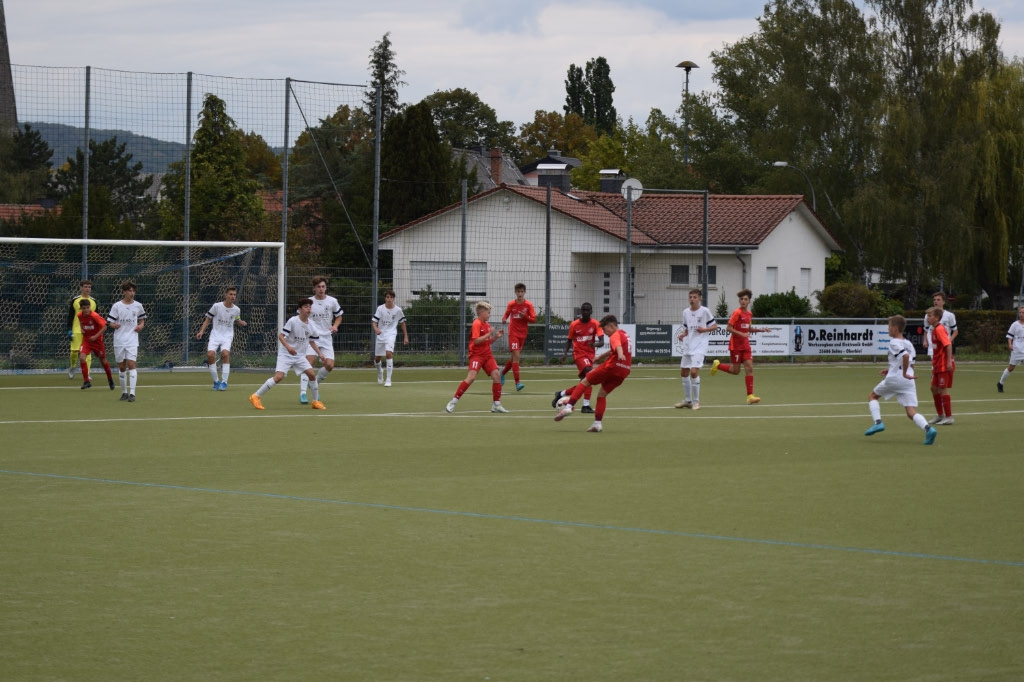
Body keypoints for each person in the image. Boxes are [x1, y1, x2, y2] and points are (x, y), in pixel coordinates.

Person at [864, 315, 938, 445]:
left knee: (872, 396)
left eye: (889, 326)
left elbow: (905, 356)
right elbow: (910, 364)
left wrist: (902, 373)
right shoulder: (909, 344)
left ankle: (878, 423)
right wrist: (892, 369)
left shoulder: (894, 342)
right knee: (910, 412)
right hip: (908, 381)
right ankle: (928, 429)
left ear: (895, 328)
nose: (888, 329)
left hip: (897, 378)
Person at [554, 314, 632, 432]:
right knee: (602, 394)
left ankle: (568, 406)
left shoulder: (615, 335)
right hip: (624, 371)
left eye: (605, 329)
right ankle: (597, 424)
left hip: (611, 367)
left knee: (585, 381)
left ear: (611, 326)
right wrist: (600, 357)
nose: (605, 333)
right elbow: (614, 349)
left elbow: (617, 346)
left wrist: (620, 354)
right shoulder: (624, 334)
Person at [250, 298, 326, 411]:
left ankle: (315, 402)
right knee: (278, 377)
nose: (308, 309)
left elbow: (312, 341)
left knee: (311, 375)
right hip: (286, 354)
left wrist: (320, 353)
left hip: (299, 356)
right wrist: (288, 347)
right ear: (300, 309)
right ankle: (255, 396)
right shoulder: (293, 321)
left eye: (310, 307)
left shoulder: (311, 326)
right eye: (306, 307)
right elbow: (281, 336)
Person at [445, 301, 508, 413]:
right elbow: (476, 341)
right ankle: (453, 402)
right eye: (488, 312)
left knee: (496, 375)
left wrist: (496, 337)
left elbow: (487, 342)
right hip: (476, 355)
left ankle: (496, 404)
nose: (489, 315)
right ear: (481, 312)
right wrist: (489, 334)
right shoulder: (476, 323)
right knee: (471, 377)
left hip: (487, 355)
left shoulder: (487, 325)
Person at [710, 288, 770, 404]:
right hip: (736, 346)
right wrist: (742, 334)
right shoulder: (737, 313)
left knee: (749, 368)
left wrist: (762, 330)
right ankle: (718, 365)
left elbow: (749, 328)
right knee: (735, 371)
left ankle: (750, 396)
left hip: (745, 346)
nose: (743, 301)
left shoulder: (749, 314)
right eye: (741, 299)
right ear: (739, 301)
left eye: (745, 299)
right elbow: (728, 328)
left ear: (749, 301)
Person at [553, 302, 605, 414]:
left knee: (584, 383)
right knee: (589, 375)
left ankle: (561, 393)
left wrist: (594, 344)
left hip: (590, 355)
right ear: (581, 311)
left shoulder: (596, 324)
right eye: (583, 310)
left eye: (587, 310)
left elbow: (602, 342)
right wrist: (565, 354)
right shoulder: (574, 324)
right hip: (579, 354)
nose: (585, 312)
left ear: (591, 312)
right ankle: (585, 406)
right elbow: (569, 340)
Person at [300, 276, 343, 404]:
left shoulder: (332, 301)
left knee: (329, 365)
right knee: (309, 362)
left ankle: (314, 384)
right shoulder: (309, 302)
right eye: (318, 287)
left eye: (323, 286)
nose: (321, 289)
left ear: (326, 287)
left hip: (326, 338)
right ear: (314, 288)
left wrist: (335, 326)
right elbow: (301, 317)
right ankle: (303, 393)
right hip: (311, 338)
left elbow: (339, 316)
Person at [195, 286, 247, 391]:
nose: (233, 296)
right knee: (210, 355)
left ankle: (224, 382)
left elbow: (236, 319)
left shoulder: (236, 309)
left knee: (225, 354)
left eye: (234, 295)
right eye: (231, 294)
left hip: (227, 335)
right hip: (215, 335)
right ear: (226, 295)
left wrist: (240, 322)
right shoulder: (217, 306)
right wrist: (201, 331)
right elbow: (208, 319)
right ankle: (216, 381)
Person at [675, 288, 718, 410]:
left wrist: (704, 330)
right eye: (690, 297)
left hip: (700, 346)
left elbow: (715, 326)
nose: (692, 299)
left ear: (700, 299)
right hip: (688, 346)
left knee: (694, 372)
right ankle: (688, 401)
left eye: (694, 297)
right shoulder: (685, 312)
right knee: (684, 373)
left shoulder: (705, 311)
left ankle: (696, 402)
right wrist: (683, 334)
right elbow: (687, 329)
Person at [106, 280, 147, 403]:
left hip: (132, 339)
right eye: (129, 291)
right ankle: (124, 392)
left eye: (133, 291)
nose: (132, 293)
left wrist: (140, 326)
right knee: (122, 366)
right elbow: (110, 322)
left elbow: (142, 320)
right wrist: (114, 325)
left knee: (131, 364)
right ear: (124, 292)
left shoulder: (138, 306)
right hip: (119, 340)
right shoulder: (117, 306)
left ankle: (132, 393)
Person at [499, 283, 536, 391]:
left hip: (522, 334)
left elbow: (533, 319)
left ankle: (502, 373)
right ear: (515, 292)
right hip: (513, 333)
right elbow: (506, 314)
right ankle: (517, 383)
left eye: (522, 292)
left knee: (513, 358)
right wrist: (504, 319)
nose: (520, 294)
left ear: (525, 292)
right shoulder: (511, 304)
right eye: (518, 291)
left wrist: (525, 316)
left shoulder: (528, 305)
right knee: (516, 356)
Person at [75, 299, 115, 391]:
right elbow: (81, 322)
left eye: (87, 308)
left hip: (97, 342)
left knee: (103, 360)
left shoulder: (94, 316)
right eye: (84, 308)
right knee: (82, 358)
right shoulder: (79, 315)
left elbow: (105, 327)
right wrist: (81, 329)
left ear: (90, 307)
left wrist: (95, 336)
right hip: (87, 340)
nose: (86, 310)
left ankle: (110, 379)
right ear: (81, 309)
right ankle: (86, 381)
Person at [925, 306, 956, 425]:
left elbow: (948, 345)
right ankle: (940, 415)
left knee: (943, 389)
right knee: (933, 388)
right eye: (927, 316)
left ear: (937, 317)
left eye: (930, 316)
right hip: (937, 364)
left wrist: (948, 362)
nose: (928, 318)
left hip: (943, 365)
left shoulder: (939, 329)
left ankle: (949, 417)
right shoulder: (934, 329)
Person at [372, 290, 408, 387]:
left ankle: (388, 379)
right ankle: (380, 371)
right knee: (377, 359)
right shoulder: (380, 308)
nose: (389, 299)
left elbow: (402, 323)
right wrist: (376, 329)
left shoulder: (398, 310)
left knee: (388, 353)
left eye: (391, 297)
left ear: (393, 299)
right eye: (387, 297)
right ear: (385, 298)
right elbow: (374, 322)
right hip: (380, 335)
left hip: (391, 334)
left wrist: (405, 336)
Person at [65, 279, 98, 379]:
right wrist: (69, 329)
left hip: (89, 331)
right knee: (74, 352)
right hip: (76, 330)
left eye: (89, 287)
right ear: (81, 288)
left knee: (87, 352)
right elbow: (71, 316)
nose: (87, 289)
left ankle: (87, 373)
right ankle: (72, 367)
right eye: (85, 287)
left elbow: (96, 318)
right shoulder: (75, 300)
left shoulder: (94, 302)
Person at [997, 306, 1024, 392]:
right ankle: (1000, 383)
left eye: (1023, 313)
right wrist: (1010, 344)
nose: (1021, 314)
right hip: (1017, 348)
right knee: (1011, 368)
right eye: (1020, 312)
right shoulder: (1015, 324)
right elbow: (1010, 336)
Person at [924, 291, 958, 359]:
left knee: (944, 364)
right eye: (934, 300)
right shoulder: (928, 315)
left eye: (938, 300)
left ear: (943, 302)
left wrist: (949, 340)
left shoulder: (949, 315)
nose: (936, 301)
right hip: (933, 345)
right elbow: (926, 330)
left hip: (944, 345)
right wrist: (925, 341)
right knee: (935, 364)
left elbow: (955, 331)